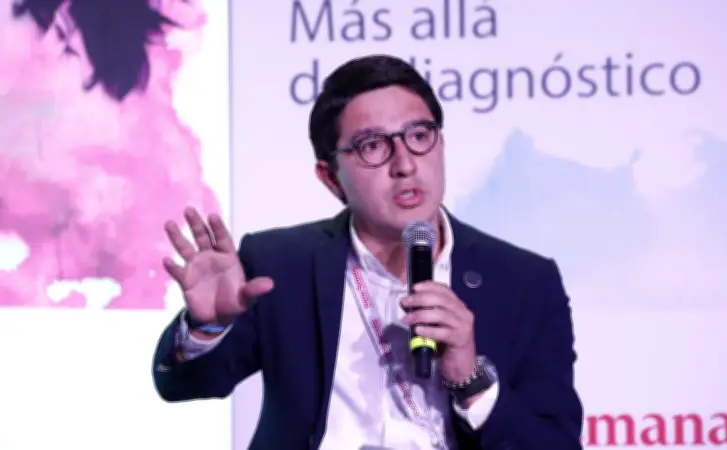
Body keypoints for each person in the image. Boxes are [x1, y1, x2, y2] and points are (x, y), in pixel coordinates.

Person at [152, 54, 583, 449]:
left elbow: (555, 443)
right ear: (330, 178)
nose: (405, 164)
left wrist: (471, 381)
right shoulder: (279, 263)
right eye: (373, 146)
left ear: (441, 145)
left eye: (419, 135)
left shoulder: (525, 282)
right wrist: (207, 328)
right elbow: (183, 385)